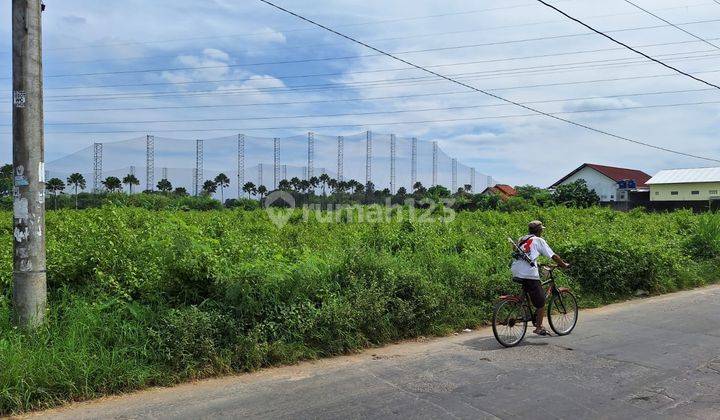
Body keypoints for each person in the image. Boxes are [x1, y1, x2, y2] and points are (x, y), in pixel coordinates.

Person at [511, 220, 569, 336]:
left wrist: (538, 263)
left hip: (516, 270)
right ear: (538, 230)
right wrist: (563, 264)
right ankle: (539, 327)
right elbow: (553, 255)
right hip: (529, 273)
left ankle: (522, 308)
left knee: (529, 290)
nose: (542, 231)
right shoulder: (538, 240)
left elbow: (525, 254)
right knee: (541, 302)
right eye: (541, 229)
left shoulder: (522, 239)